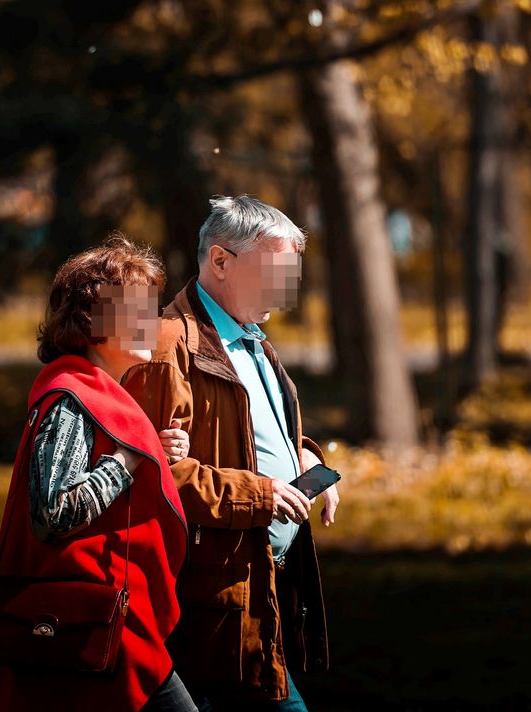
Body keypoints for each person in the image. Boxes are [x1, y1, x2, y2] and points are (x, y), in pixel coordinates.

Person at [0, 237, 196, 712]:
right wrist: (129, 460)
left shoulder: (98, 396)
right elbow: (52, 512)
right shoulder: (71, 398)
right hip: (88, 625)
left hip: (100, 620)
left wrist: (150, 450)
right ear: (91, 320)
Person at [123, 196, 338, 711]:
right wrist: (262, 494)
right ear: (220, 261)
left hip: (260, 590)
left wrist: (304, 459)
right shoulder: (164, 343)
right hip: (209, 602)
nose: (284, 291)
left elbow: (255, 432)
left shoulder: (253, 338)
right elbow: (152, 473)